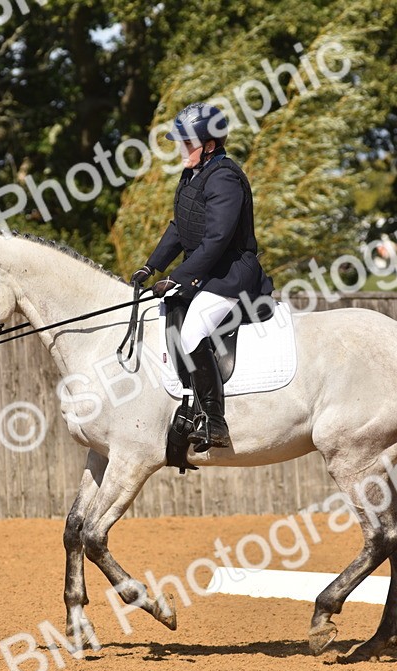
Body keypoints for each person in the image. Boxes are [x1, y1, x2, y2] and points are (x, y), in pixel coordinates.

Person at [133, 102, 274, 451]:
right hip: (208, 271)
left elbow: (216, 240)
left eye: (187, 143)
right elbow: (181, 228)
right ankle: (184, 404)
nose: (180, 149)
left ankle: (214, 420)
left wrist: (178, 277)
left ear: (209, 145)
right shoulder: (193, 174)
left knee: (193, 329)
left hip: (232, 274)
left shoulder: (225, 177)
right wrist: (152, 266)